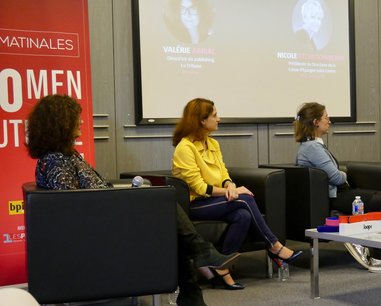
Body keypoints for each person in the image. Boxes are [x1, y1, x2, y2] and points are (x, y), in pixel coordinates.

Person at [25, 94, 237, 306]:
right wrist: (123, 201)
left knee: (164, 209)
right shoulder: (55, 161)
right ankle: (200, 257)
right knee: (164, 206)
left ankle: (195, 282)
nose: (81, 121)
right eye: (75, 118)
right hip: (100, 226)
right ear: (60, 123)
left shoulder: (67, 155)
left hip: (109, 213)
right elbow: (72, 208)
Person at [171, 98, 302, 289]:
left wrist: (230, 185)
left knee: (243, 215)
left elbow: (223, 172)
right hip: (195, 204)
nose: (219, 119)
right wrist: (231, 191)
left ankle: (222, 267)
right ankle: (274, 246)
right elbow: (199, 188)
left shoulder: (212, 143)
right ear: (201, 120)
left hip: (215, 200)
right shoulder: (185, 148)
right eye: (215, 115)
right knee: (245, 199)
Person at [293, 102, 381, 273]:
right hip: (334, 196)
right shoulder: (312, 148)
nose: (329, 120)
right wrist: (344, 174)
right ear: (316, 122)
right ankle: (378, 258)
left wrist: (342, 174)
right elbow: (336, 177)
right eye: (326, 117)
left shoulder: (313, 145)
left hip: (339, 192)